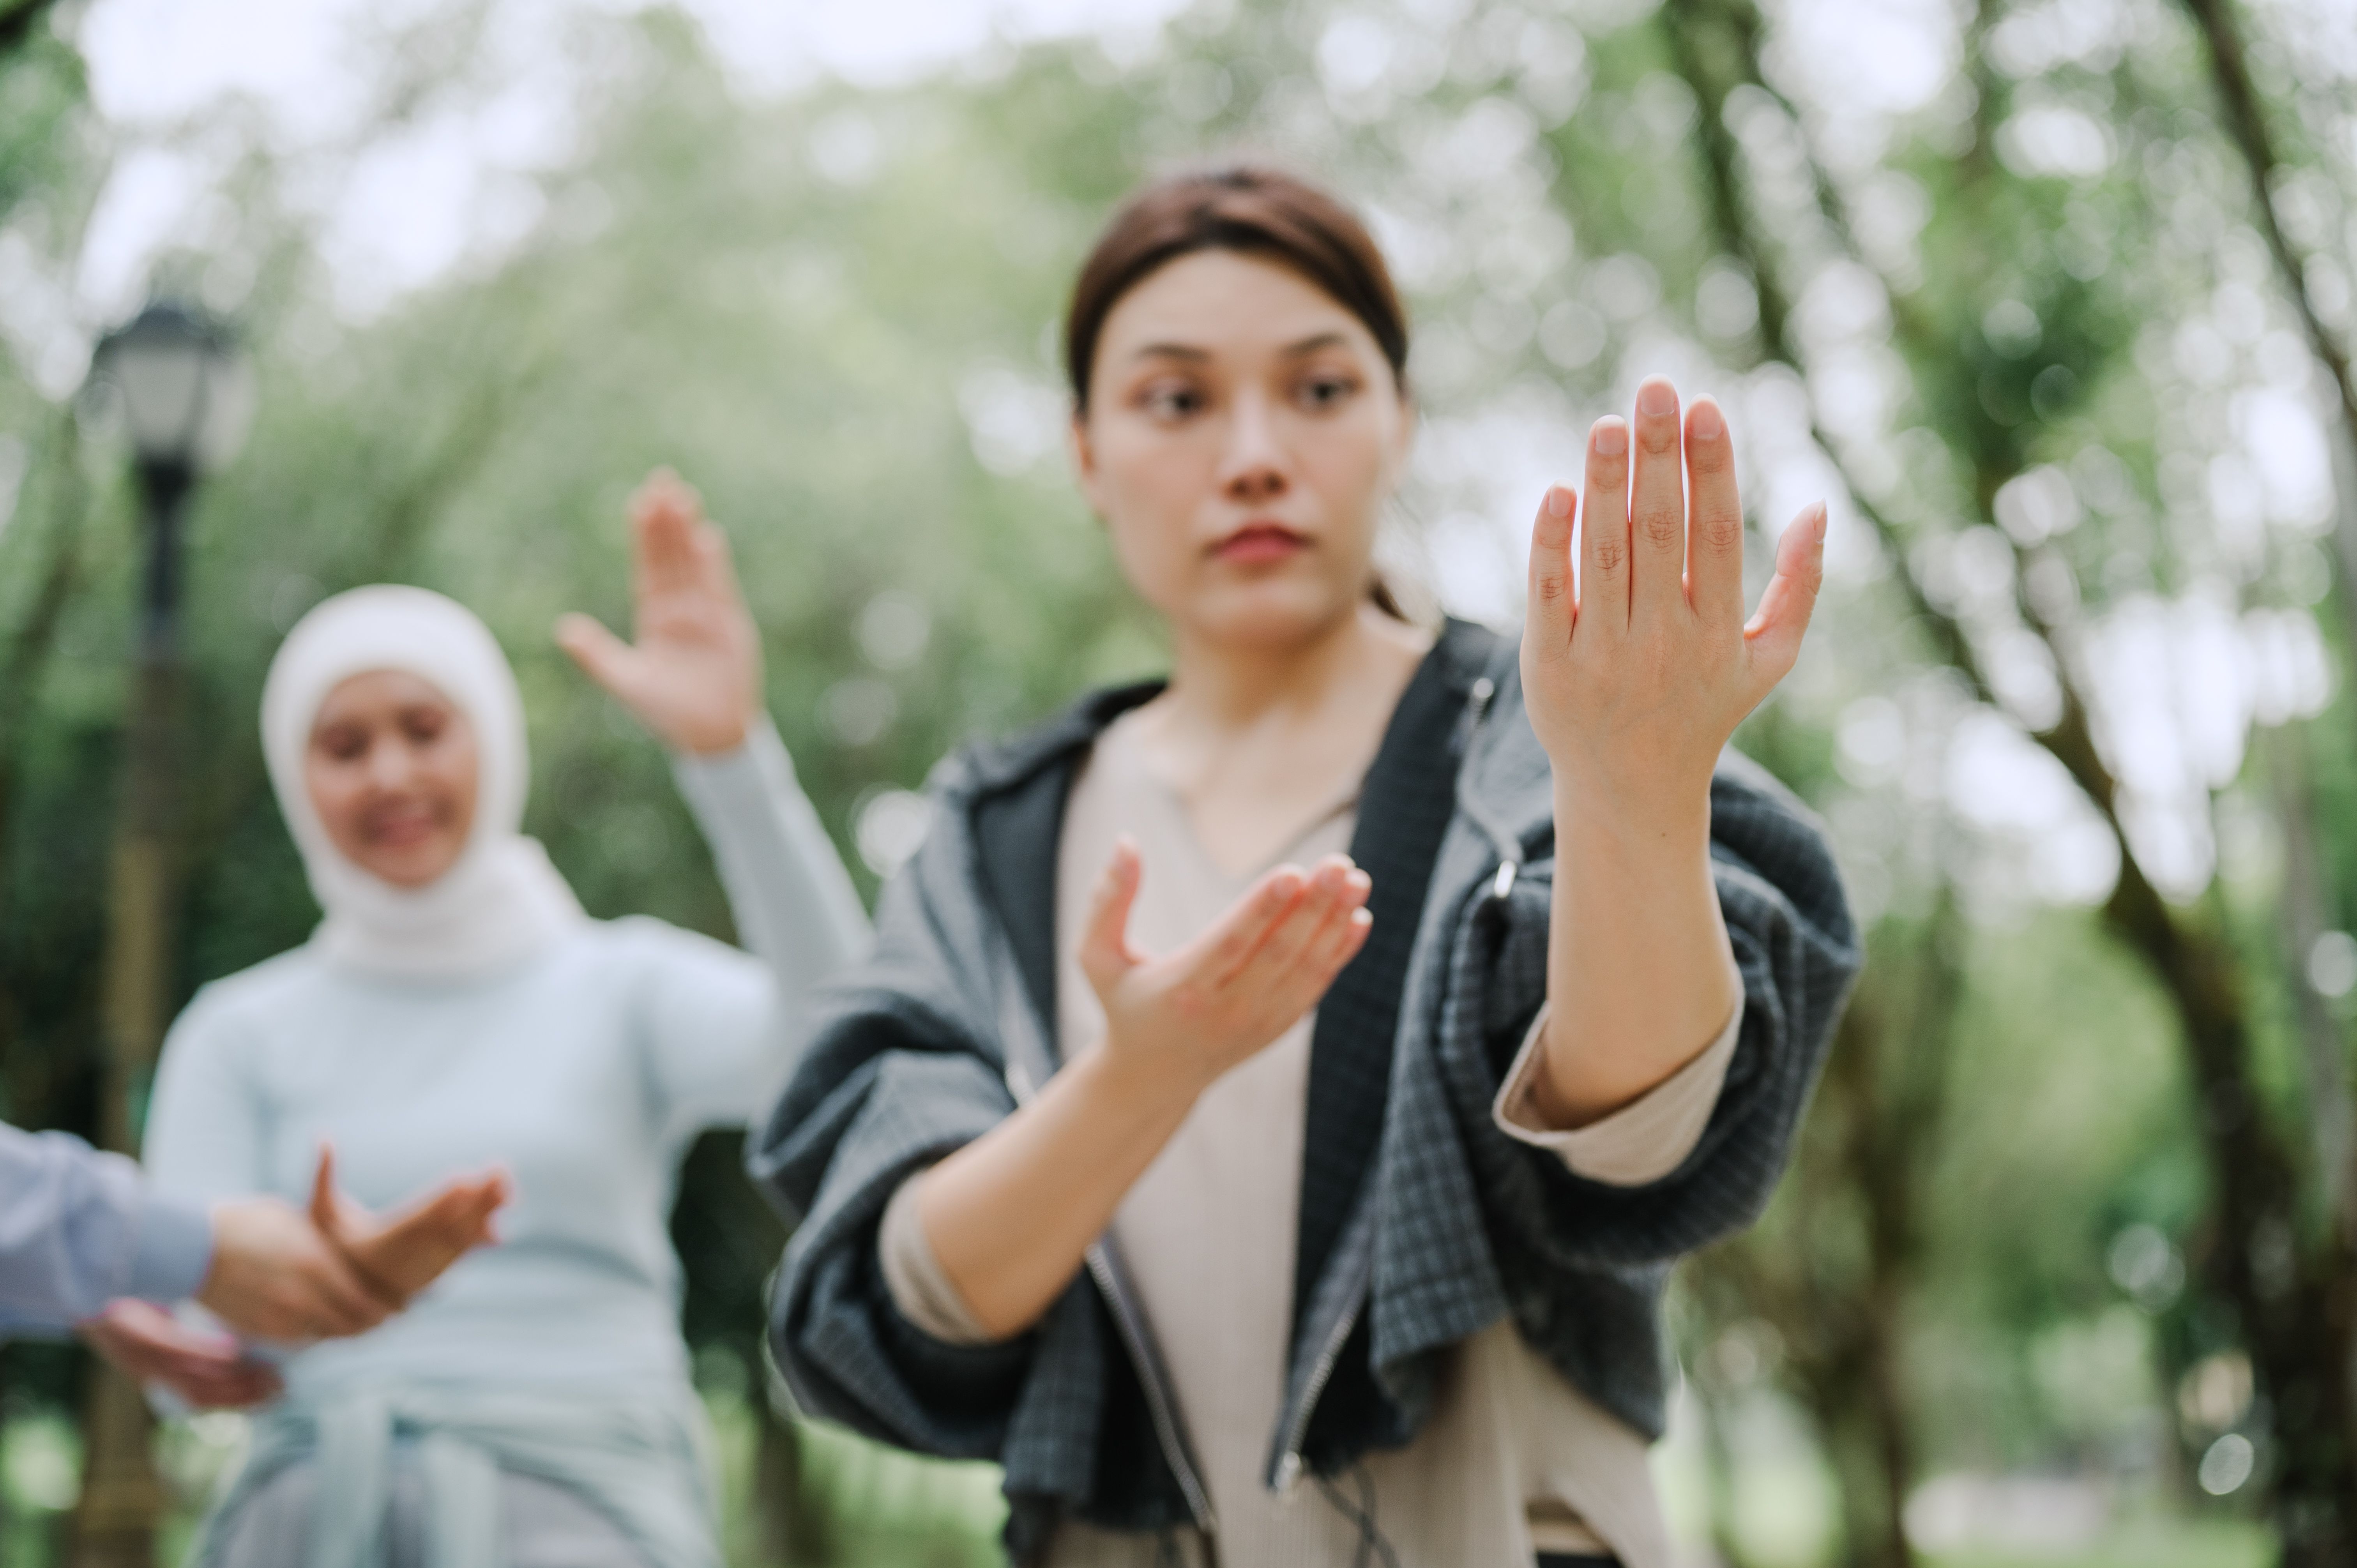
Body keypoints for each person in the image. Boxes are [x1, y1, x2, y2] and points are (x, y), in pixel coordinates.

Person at [751, 166, 1861, 1568]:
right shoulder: (994, 837)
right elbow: (907, 1293)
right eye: (1175, 398)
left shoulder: (1546, 733)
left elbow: (1642, 1140)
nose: (1255, 453)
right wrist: (1136, 1075)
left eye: (1321, 389)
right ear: (1085, 451)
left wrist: (1634, 800)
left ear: (1399, 419)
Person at [142, 472, 870, 1568]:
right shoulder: (237, 1031)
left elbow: (848, 1055)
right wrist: (297, 1299)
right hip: (307, 1521)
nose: (391, 772)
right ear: (301, 784)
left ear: (491, 739)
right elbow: (174, 1353)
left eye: (425, 728)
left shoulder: (621, 987)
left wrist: (732, 763)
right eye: (344, 747)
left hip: (587, 1514)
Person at [2, 1121, 503, 1408]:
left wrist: (100, 1289)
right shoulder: (234, 1025)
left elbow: (191, 1320)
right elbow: (204, 1329)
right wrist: (202, 1254)